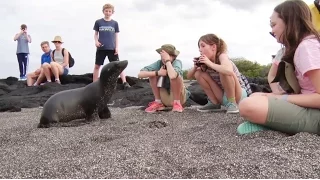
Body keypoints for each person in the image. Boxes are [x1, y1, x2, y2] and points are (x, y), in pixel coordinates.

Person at [237, 0, 320, 135]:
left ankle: (275, 125)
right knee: (255, 96)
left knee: (248, 105)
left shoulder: (307, 47)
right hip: (310, 107)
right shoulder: (300, 47)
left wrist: (281, 98)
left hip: (316, 114)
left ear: (290, 21)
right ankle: (276, 123)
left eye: (274, 25)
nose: (272, 30)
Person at [186, 34, 250, 114]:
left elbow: (228, 70)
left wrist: (209, 63)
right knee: (198, 73)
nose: (200, 50)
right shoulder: (205, 63)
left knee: (224, 71)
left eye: (203, 46)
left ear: (213, 47)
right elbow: (188, 76)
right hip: (222, 95)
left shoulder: (222, 56)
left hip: (237, 95)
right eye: (199, 47)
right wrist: (195, 67)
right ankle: (214, 102)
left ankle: (232, 104)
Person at [138, 44, 190, 113]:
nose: (163, 57)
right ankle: (158, 102)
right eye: (162, 54)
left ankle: (177, 103)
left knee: (176, 76)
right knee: (152, 74)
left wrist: (167, 61)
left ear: (173, 56)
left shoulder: (177, 62)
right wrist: (158, 73)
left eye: (166, 54)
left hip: (178, 97)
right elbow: (140, 74)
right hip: (164, 97)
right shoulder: (159, 63)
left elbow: (173, 76)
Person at [93, 3, 130, 89]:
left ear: (112, 12)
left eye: (110, 11)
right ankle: (94, 84)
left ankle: (124, 82)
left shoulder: (115, 23)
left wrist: (117, 47)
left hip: (112, 48)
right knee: (97, 66)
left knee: (118, 65)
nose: (108, 12)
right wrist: (96, 41)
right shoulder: (98, 22)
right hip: (101, 48)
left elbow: (116, 36)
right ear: (103, 11)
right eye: (106, 11)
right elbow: (95, 34)